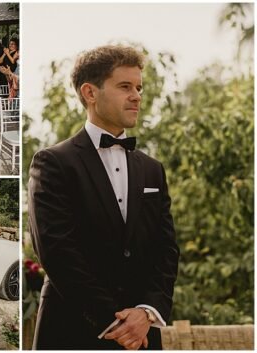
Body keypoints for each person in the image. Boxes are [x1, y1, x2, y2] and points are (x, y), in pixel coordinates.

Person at [27, 45, 178, 350]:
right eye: (125, 86)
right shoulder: (53, 163)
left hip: (142, 335)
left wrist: (146, 312)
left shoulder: (152, 170)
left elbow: (166, 249)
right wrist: (114, 321)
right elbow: (56, 251)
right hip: (71, 330)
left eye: (138, 88)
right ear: (90, 93)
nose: (136, 96)